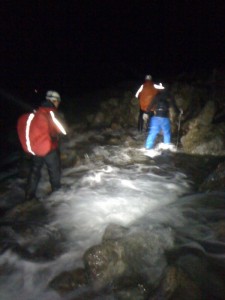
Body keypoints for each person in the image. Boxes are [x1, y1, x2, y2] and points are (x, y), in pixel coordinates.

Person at [24, 90, 67, 200]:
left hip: (36, 148)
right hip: (49, 148)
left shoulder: (37, 111)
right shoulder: (52, 113)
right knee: (54, 170)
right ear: (53, 101)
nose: (58, 104)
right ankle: (57, 194)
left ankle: (29, 195)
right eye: (57, 101)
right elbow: (63, 130)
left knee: (35, 170)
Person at [145, 83, 181, 149]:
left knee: (152, 133)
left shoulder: (157, 95)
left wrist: (146, 113)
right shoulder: (169, 96)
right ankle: (166, 148)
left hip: (156, 118)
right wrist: (179, 112)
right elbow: (174, 107)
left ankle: (147, 148)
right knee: (166, 134)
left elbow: (151, 105)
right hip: (165, 119)